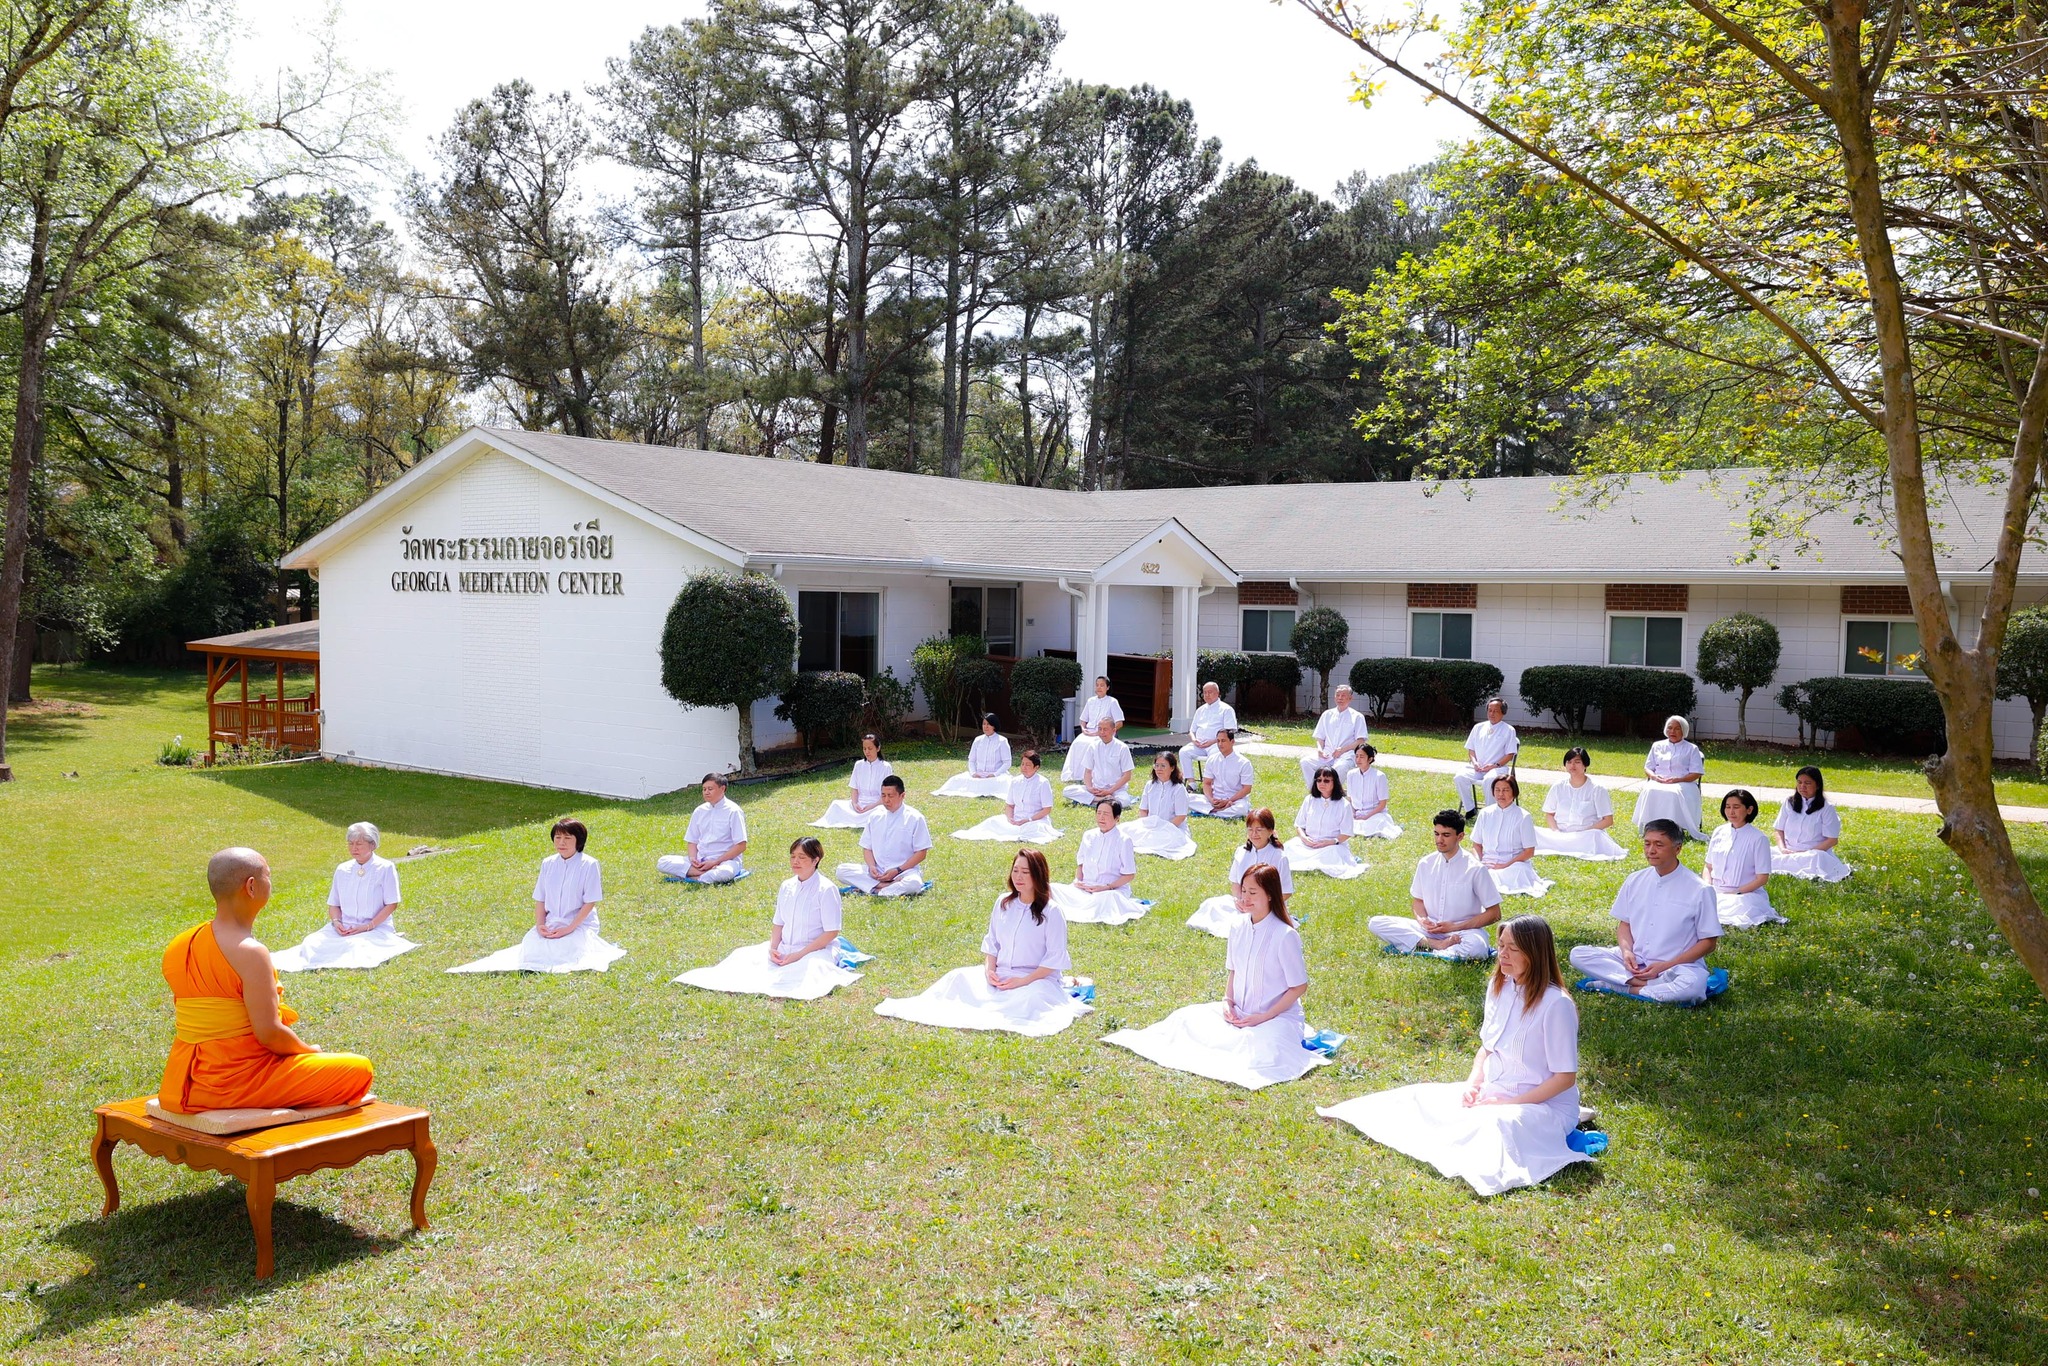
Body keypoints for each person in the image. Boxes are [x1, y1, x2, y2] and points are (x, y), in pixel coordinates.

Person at [1318, 916, 1590, 1196]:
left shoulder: (1557, 1004)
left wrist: (1508, 1103)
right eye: (1501, 945)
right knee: (1419, 1097)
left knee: (1490, 1125)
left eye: (1514, 949)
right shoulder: (1500, 987)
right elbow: (1487, 1048)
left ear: (1535, 953)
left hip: (1541, 1105)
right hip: (1495, 1091)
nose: (1503, 955)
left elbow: (1564, 1078)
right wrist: (1473, 1086)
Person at [158, 847, 375, 1114]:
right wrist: (310, 1051)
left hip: (185, 1080)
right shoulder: (250, 952)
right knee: (357, 1068)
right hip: (234, 1083)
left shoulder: (179, 944)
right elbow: (270, 1034)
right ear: (251, 887)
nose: (271, 883)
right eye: (268, 875)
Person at [1102, 865, 1328, 1090]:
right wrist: (1227, 1001)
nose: (1245, 898)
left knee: (1260, 1050)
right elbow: (1233, 970)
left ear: (1270, 895)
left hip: (1276, 1018)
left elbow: (1298, 987)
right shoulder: (1238, 925)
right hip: (1240, 1012)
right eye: (1244, 891)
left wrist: (1263, 1017)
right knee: (1185, 1019)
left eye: (1253, 893)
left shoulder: (1285, 935)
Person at [873, 848, 1092, 1037]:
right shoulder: (1003, 902)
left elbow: (1053, 960)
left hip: (1035, 981)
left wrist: (1022, 981)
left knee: (1030, 1001)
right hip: (1001, 975)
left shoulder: (1051, 912)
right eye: (1015, 870)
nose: (1019, 877)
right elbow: (992, 944)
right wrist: (989, 971)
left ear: (1038, 875)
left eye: (1025, 872)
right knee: (957, 977)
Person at [673, 838, 862, 1000]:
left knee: (810, 972)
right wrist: (773, 948)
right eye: (793, 856)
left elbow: (831, 932)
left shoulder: (826, 889)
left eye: (802, 857)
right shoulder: (787, 886)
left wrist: (798, 955)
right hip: (786, 945)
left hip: (815, 949)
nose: (795, 861)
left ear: (816, 860)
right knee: (742, 957)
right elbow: (778, 922)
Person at [1569, 819, 1721, 1003]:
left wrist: (1666, 965)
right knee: (1578, 953)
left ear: (1677, 848)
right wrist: (1627, 953)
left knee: (1692, 987)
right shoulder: (1634, 880)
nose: (1651, 850)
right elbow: (1625, 924)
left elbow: (1709, 942)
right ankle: (1643, 985)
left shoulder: (1700, 889)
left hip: (1678, 966)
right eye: (1647, 844)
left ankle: (1617, 985)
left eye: (1659, 845)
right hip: (1637, 962)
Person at [449, 819, 626, 973]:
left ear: (578, 841)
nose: (561, 843)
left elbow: (590, 902)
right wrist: (540, 925)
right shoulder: (548, 863)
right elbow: (540, 898)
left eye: (567, 838)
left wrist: (569, 928)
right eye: (558, 837)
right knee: (532, 947)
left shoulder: (589, 864)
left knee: (567, 951)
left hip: (579, 924)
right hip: (552, 922)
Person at [274, 822, 419, 972]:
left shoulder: (385, 868)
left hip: (374, 929)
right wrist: (337, 923)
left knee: (357, 947)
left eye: (359, 844)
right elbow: (334, 904)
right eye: (350, 843)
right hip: (345, 927)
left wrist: (367, 926)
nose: (354, 848)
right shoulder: (342, 869)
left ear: (372, 845)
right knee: (311, 942)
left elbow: (392, 904)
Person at [1368, 809, 1502, 960]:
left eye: (1446, 835)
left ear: (1460, 836)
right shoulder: (1425, 863)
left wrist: (1455, 927)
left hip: (1463, 931)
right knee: (1376, 923)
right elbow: (1418, 901)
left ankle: (1420, 947)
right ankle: (1435, 945)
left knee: (1477, 949)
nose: (1439, 840)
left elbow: (1495, 913)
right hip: (1428, 930)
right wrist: (1422, 920)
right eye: (1436, 834)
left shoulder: (1476, 869)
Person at [1187, 809, 1293, 937]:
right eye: (1250, 830)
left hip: (1267, 908)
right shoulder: (1241, 852)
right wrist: (1240, 900)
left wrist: (1262, 904)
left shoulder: (1279, 857)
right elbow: (1236, 882)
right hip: (1244, 903)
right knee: (1211, 904)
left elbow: (1286, 892)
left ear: (1270, 831)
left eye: (1259, 830)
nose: (1254, 834)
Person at [1049, 799, 1147, 924]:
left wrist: (1106, 887)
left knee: (1108, 899)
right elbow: (1081, 864)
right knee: (1051, 888)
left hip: (1109, 891)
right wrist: (1078, 881)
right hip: (1086, 888)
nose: (1101, 817)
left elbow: (1129, 875)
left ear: (1117, 818)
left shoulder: (1123, 840)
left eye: (1106, 814)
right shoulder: (1088, 835)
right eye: (1099, 813)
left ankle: (1086, 908)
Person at [835, 777, 933, 896]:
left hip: (904, 871)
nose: (886, 800)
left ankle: (873, 889)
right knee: (842, 870)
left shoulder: (915, 818)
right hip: (878, 872)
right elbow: (867, 847)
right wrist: (871, 867)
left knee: (913, 884)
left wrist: (898, 870)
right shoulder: (875, 816)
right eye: (883, 795)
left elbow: (921, 853)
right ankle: (886, 887)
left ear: (902, 796)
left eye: (890, 796)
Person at [1533, 748, 1627, 860]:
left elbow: (1608, 820)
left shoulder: (1597, 789)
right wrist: (1556, 832)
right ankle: (1562, 844)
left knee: (1595, 835)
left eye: (1577, 762)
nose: (1572, 765)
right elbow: (1549, 814)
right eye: (1569, 762)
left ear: (1585, 765)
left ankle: (1567, 846)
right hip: (1561, 835)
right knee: (1534, 831)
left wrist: (1584, 832)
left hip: (1585, 835)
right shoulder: (1558, 787)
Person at [1706, 789, 1782, 927]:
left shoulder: (1759, 838)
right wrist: (1707, 888)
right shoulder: (1719, 832)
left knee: (1738, 910)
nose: (1731, 812)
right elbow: (1708, 866)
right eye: (1727, 807)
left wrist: (1736, 892)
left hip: (1744, 895)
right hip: (1715, 890)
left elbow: (1762, 878)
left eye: (1736, 807)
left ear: (1749, 809)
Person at [1471, 774, 1554, 898]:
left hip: (1513, 864)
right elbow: (1476, 844)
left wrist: (1504, 865)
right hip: (1487, 863)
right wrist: (1480, 863)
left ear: (1514, 793)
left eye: (1505, 790)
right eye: (1497, 790)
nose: (1501, 794)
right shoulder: (1485, 813)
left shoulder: (1523, 816)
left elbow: (1529, 852)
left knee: (1519, 871)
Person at [954, 749, 1061, 844]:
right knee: (993, 822)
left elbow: (1047, 809)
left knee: (1035, 829)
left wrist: (1028, 819)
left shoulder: (1043, 783)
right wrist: (1010, 819)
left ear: (1036, 767)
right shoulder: (1015, 781)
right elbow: (1010, 805)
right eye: (1022, 764)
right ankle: (1012, 829)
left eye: (1028, 765)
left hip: (1034, 821)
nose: (1024, 767)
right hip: (1016, 820)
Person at [657, 773, 748, 883]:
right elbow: (692, 841)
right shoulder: (699, 811)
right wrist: (693, 859)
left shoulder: (734, 811)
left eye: (710, 789)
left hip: (725, 862)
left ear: (722, 789)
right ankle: (702, 875)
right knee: (662, 862)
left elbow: (741, 845)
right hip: (700, 861)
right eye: (704, 789)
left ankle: (693, 875)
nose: (706, 792)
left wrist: (715, 862)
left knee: (724, 873)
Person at [1773, 766, 1852, 881]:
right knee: (1762, 855)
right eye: (1799, 782)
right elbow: (1779, 829)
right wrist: (1782, 849)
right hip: (1788, 851)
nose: (1802, 786)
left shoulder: (1826, 808)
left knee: (1815, 859)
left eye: (1807, 783)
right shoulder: (1789, 803)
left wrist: (1807, 852)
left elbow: (1832, 840)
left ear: (1817, 785)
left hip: (1813, 853)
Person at [1283, 767, 1364, 879]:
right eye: (1319, 780)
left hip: (1331, 845)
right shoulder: (1309, 800)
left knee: (1332, 854)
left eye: (1326, 780)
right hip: (1308, 844)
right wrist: (1304, 838)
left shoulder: (1344, 805)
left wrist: (1330, 842)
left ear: (1334, 782)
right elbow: (1299, 825)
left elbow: (1346, 833)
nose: (1322, 783)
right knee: (1290, 846)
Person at [1637, 716, 1707, 840]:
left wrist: (1678, 779)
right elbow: (1647, 767)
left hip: (1684, 782)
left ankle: (1674, 828)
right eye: (1669, 728)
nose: (1672, 732)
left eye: (1677, 729)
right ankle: (1651, 826)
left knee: (1674, 792)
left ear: (1684, 731)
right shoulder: (1657, 745)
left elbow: (1696, 773)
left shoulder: (1692, 749)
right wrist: (1654, 777)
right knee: (1650, 790)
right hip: (1659, 780)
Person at [1127, 751, 1198, 859]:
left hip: (1172, 828)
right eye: (1157, 765)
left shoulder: (1179, 789)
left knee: (1165, 840)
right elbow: (1143, 810)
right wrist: (1147, 824)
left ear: (1172, 768)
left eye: (1163, 766)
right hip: (1150, 826)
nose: (1159, 769)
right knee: (1127, 832)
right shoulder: (1149, 785)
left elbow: (1180, 817)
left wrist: (1163, 827)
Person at [1455, 699, 1520, 815]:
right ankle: (1470, 809)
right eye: (1489, 711)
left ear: (1503, 713)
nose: (1492, 714)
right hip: (1478, 767)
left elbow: (1510, 755)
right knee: (1459, 777)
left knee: (1490, 780)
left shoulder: (1509, 730)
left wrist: (1494, 765)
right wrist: (1474, 763)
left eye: (1495, 711)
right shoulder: (1478, 727)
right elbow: (1471, 749)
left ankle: (1490, 812)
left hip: (1497, 768)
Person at [813, 735, 893, 828]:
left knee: (881, 813)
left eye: (870, 748)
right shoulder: (859, 765)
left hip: (876, 805)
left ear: (878, 748)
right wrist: (855, 804)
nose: (867, 752)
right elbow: (854, 788)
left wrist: (871, 806)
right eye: (864, 749)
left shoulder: (886, 767)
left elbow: (887, 794)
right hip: (859, 804)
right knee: (836, 804)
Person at [1300, 685, 1369, 785]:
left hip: (1346, 755)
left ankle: (1333, 793)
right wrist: (1320, 749)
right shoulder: (1327, 714)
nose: (1340, 698)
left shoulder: (1357, 717)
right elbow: (1320, 736)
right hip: (1327, 754)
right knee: (1305, 762)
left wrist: (1342, 750)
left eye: (1343, 695)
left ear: (1350, 698)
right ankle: (1315, 791)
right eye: (1338, 695)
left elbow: (1360, 740)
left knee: (1339, 768)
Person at [935, 715, 1015, 799]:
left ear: (994, 726)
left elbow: (1007, 763)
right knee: (956, 780)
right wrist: (973, 773)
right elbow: (971, 760)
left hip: (995, 776)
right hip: (978, 775)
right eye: (984, 724)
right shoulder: (978, 740)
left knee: (1004, 783)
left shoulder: (1002, 741)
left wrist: (995, 774)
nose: (986, 727)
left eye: (989, 724)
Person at [1061, 677, 1125, 781]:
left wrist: (1106, 732)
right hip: (1089, 732)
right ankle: (1076, 774)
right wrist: (1083, 729)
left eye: (1102, 685)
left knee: (1091, 745)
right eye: (1097, 685)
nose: (1099, 687)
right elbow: (1083, 719)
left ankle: (1091, 775)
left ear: (1107, 687)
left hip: (1103, 733)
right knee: (1077, 743)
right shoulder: (1090, 701)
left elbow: (1119, 723)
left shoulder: (1112, 702)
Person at [1062, 716, 1134, 807]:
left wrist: (1110, 791)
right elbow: (1088, 771)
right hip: (1097, 789)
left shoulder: (1122, 748)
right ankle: (1101, 800)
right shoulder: (1093, 746)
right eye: (1100, 729)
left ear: (1113, 730)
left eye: (1105, 729)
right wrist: (1090, 788)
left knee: (1125, 801)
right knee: (1067, 790)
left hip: (1116, 790)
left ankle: (1097, 800)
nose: (1102, 732)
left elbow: (1127, 776)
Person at [1178, 682, 1240, 777]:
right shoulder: (1200, 710)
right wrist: (1194, 740)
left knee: (1215, 756)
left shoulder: (1226, 709)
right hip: (1199, 744)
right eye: (1205, 692)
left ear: (1217, 693)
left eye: (1210, 692)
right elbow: (1192, 730)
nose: (1207, 695)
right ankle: (1191, 783)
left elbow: (1229, 731)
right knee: (1183, 752)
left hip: (1216, 744)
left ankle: (1210, 783)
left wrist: (1212, 742)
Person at [1189, 729, 1254, 819]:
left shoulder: (1244, 763)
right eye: (1218, 741)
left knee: (1242, 809)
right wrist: (1212, 800)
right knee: (1186, 798)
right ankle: (1218, 811)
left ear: (1232, 742)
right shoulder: (1212, 759)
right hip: (1215, 799)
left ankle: (1212, 812)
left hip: (1235, 801)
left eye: (1223, 741)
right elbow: (1207, 783)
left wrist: (1228, 801)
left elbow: (1247, 789)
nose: (1220, 744)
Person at [1345, 742, 1403, 840]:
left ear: (1370, 759)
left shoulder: (1379, 776)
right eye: (1357, 756)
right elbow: (1350, 799)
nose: (1358, 759)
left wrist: (1366, 816)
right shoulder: (1351, 774)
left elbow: (1382, 804)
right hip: (1358, 814)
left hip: (1375, 814)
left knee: (1375, 824)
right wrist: (1353, 813)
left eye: (1362, 757)